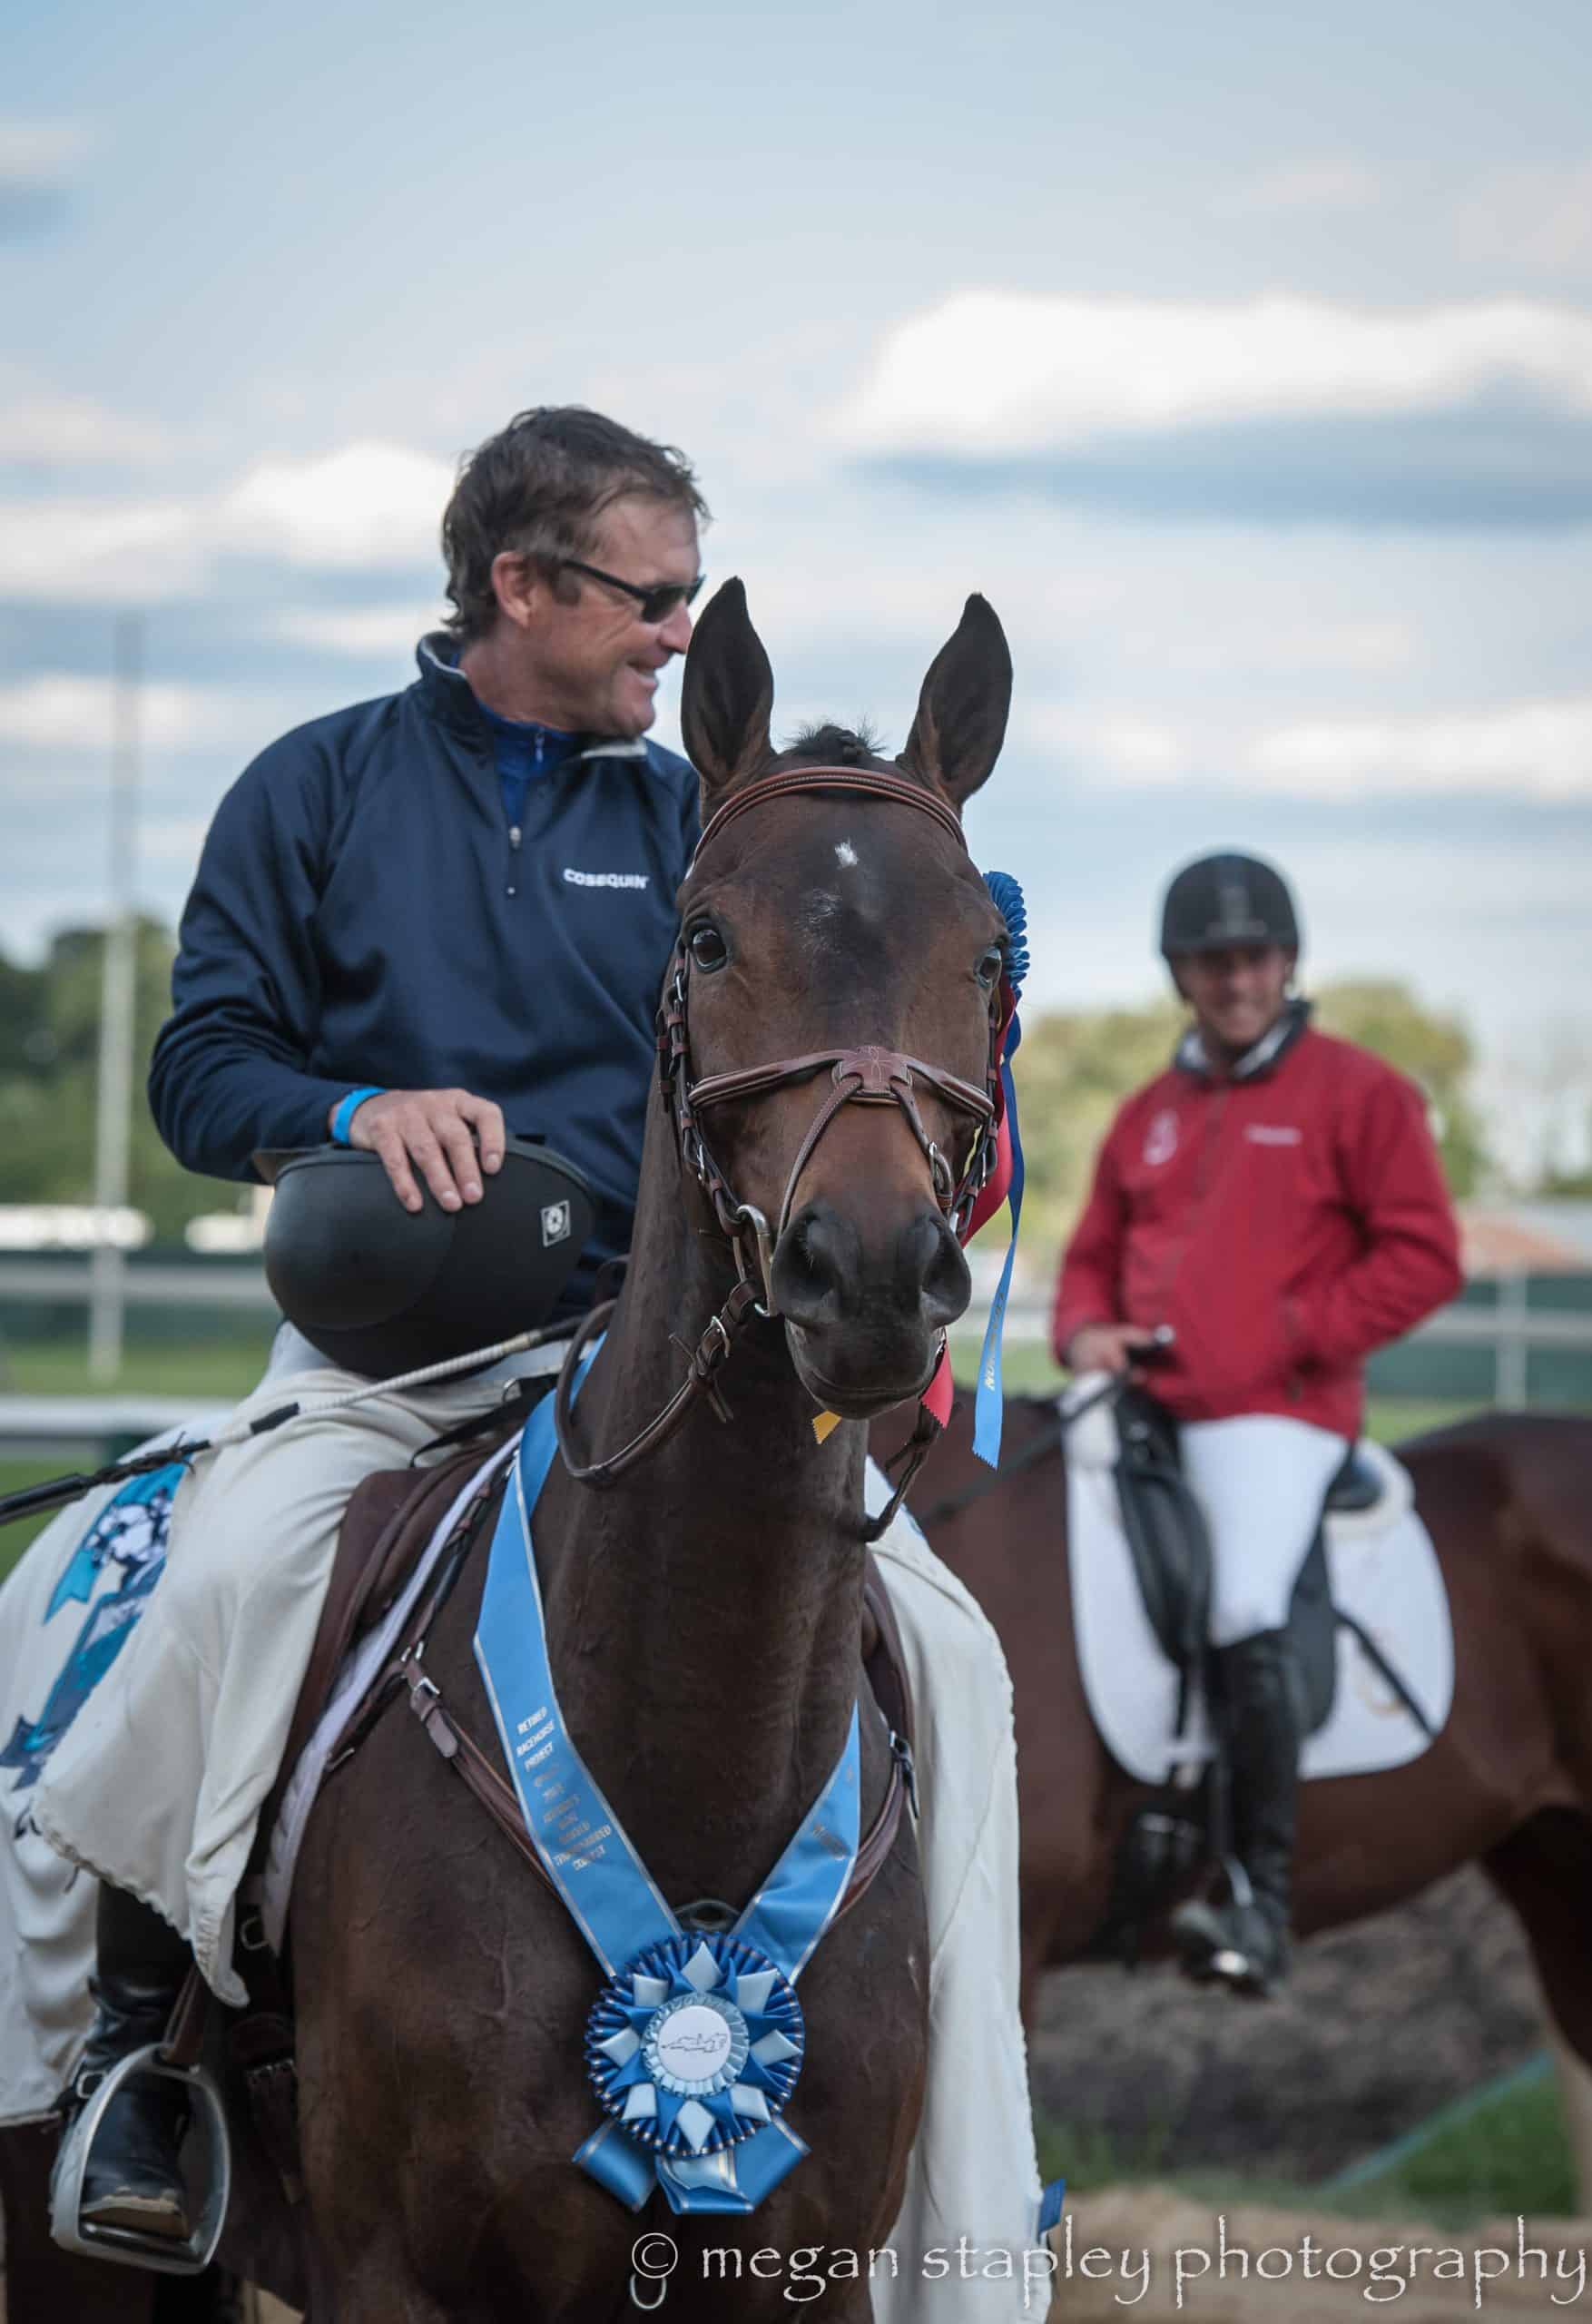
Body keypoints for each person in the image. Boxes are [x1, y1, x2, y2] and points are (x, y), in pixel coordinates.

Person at [35, 406, 1042, 2301]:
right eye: (651, 596)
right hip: (383, 1365)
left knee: (967, 1663)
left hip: (656, 1358)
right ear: (522, 582)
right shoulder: (315, 785)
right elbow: (198, 1066)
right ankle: (136, 2077)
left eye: (686, 604)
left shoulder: (703, 823)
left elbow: (835, 979)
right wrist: (345, 1105)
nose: (676, 636)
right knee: (217, 1586)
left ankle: (963, 2171)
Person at [1051, 850, 1464, 1994]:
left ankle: (1255, 1892)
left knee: (1240, 1599)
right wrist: (1085, 1330)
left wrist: (1285, 1328)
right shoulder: (1147, 1114)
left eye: (1252, 957)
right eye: (1209, 961)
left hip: (1273, 1413)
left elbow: (1423, 1257)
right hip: (1135, 1396)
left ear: (1284, 962)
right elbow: (1086, 1260)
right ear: (1178, 973)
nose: (1233, 979)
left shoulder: (1359, 1093)